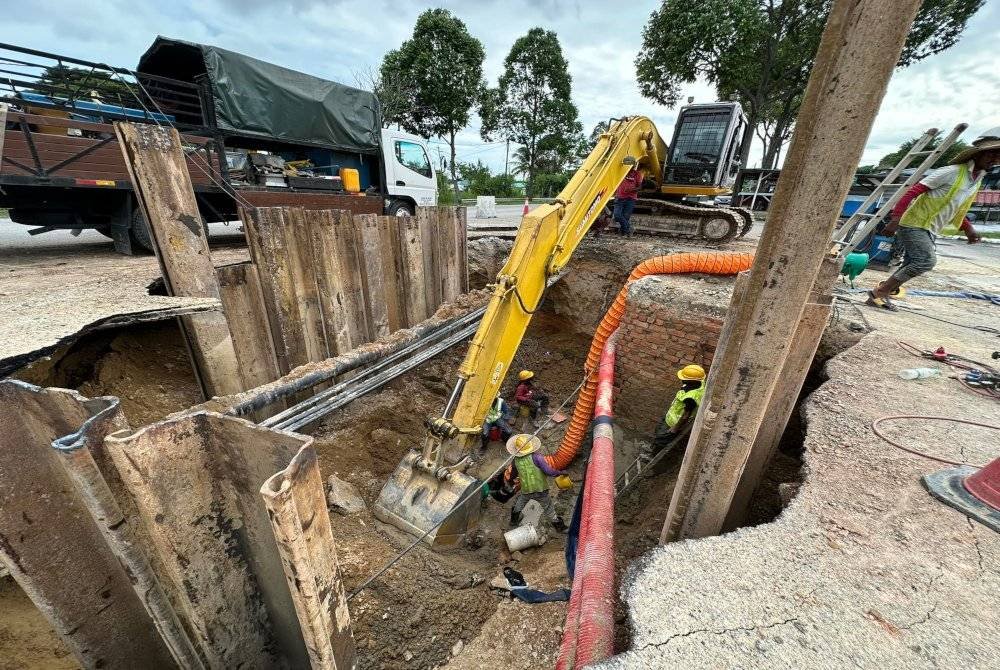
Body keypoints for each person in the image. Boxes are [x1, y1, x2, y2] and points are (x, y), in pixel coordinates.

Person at [868, 128, 1000, 310]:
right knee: (925, 261)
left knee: (911, 263)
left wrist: (967, 227)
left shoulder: (975, 180)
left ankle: (883, 292)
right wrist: (895, 218)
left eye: (998, 156)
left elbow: (956, 207)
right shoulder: (951, 172)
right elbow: (912, 191)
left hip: (931, 227)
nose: (994, 160)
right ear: (977, 155)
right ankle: (880, 292)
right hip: (914, 223)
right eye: (991, 154)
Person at [644, 364, 706, 461]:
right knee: (658, 431)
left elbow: (686, 415)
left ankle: (652, 456)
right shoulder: (699, 382)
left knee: (662, 439)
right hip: (670, 416)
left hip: (674, 422)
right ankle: (652, 448)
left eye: (684, 378)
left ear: (692, 381)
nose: (682, 380)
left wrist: (675, 428)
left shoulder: (691, 398)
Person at [507, 434, 567, 532]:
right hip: (540, 489)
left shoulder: (516, 460)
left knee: (519, 505)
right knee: (549, 509)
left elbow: (513, 474)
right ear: (531, 446)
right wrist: (560, 473)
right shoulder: (537, 457)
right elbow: (549, 471)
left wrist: (510, 482)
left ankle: (513, 521)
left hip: (526, 490)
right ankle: (560, 528)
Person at [613, 167, 644, 237]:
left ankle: (623, 232)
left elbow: (640, 187)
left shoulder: (637, 174)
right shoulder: (620, 172)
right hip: (619, 197)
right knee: (617, 215)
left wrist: (631, 190)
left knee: (626, 217)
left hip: (631, 198)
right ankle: (629, 228)